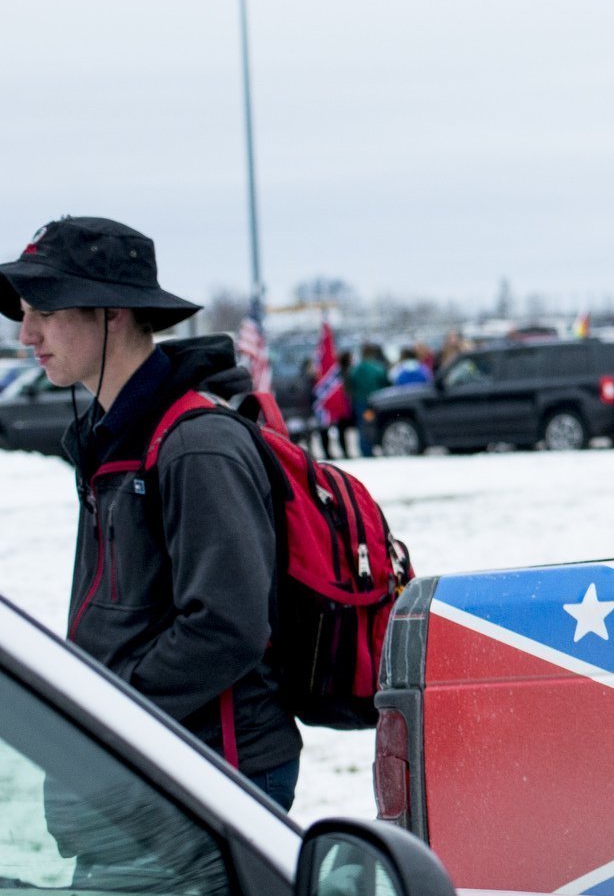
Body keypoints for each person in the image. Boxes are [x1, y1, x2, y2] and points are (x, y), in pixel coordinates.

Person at [1, 218, 301, 809]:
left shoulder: (195, 445)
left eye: (46, 310)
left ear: (113, 311)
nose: (26, 335)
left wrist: (107, 717)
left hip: (209, 777)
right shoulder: (115, 439)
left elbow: (226, 628)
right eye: (23, 313)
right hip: (144, 767)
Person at [343, 342, 390, 458]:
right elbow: (386, 383)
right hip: (378, 402)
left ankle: (365, 450)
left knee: (363, 426)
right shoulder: (378, 368)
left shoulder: (356, 369)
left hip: (361, 402)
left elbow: (349, 385)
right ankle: (374, 448)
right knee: (378, 425)